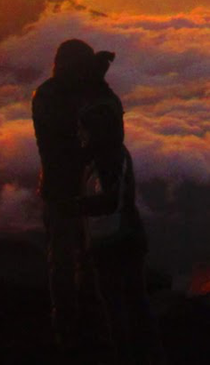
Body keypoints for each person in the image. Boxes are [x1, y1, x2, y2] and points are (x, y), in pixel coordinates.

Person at [32, 38, 124, 353]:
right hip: (63, 193)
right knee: (64, 261)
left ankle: (87, 324)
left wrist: (96, 84)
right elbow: (73, 126)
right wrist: (95, 84)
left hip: (84, 191)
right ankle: (68, 328)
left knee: (87, 260)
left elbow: (108, 118)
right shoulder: (50, 96)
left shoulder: (60, 93)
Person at [63, 100, 164, 364]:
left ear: (95, 130)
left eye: (83, 129)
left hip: (114, 244)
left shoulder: (106, 160)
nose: (79, 134)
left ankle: (130, 356)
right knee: (134, 305)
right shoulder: (112, 154)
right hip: (125, 241)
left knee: (119, 311)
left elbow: (110, 201)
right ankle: (147, 356)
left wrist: (75, 206)